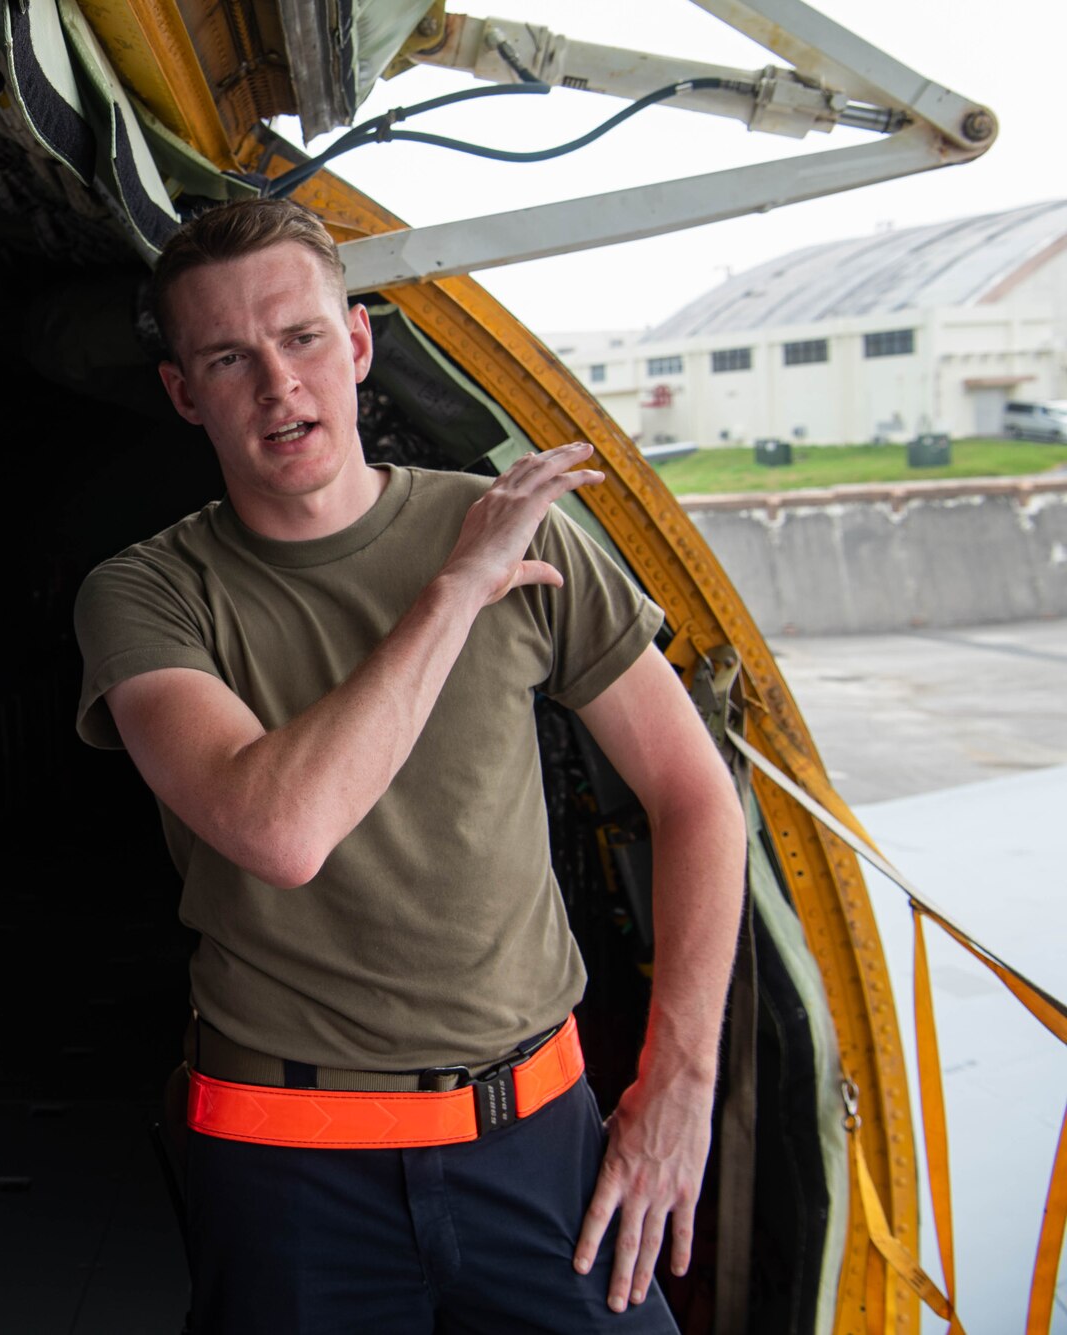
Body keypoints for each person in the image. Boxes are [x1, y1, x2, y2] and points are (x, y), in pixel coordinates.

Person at [73, 199, 746, 1332]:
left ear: (357, 344)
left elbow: (693, 796)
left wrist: (678, 1082)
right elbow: (278, 831)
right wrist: (447, 595)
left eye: (299, 338)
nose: (278, 385)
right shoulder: (146, 594)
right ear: (185, 395)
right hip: (283, 1161)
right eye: (229, 359)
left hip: (538, 1143)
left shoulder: (519, 530)